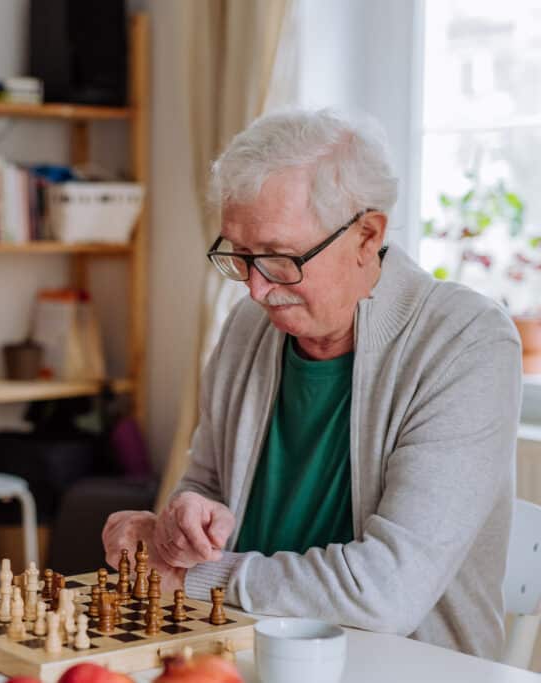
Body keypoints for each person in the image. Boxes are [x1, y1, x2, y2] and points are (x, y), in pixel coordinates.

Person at [103, 109, 522, 659]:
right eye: (240, 255)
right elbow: (203, 483)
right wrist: (180, 528)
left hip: (404, 669)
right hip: (242, 651)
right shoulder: (248, 327)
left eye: (277, 258)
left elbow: (384, 594)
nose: (255, 288)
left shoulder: (466, 342)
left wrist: (194, 578)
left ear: (367, 235)